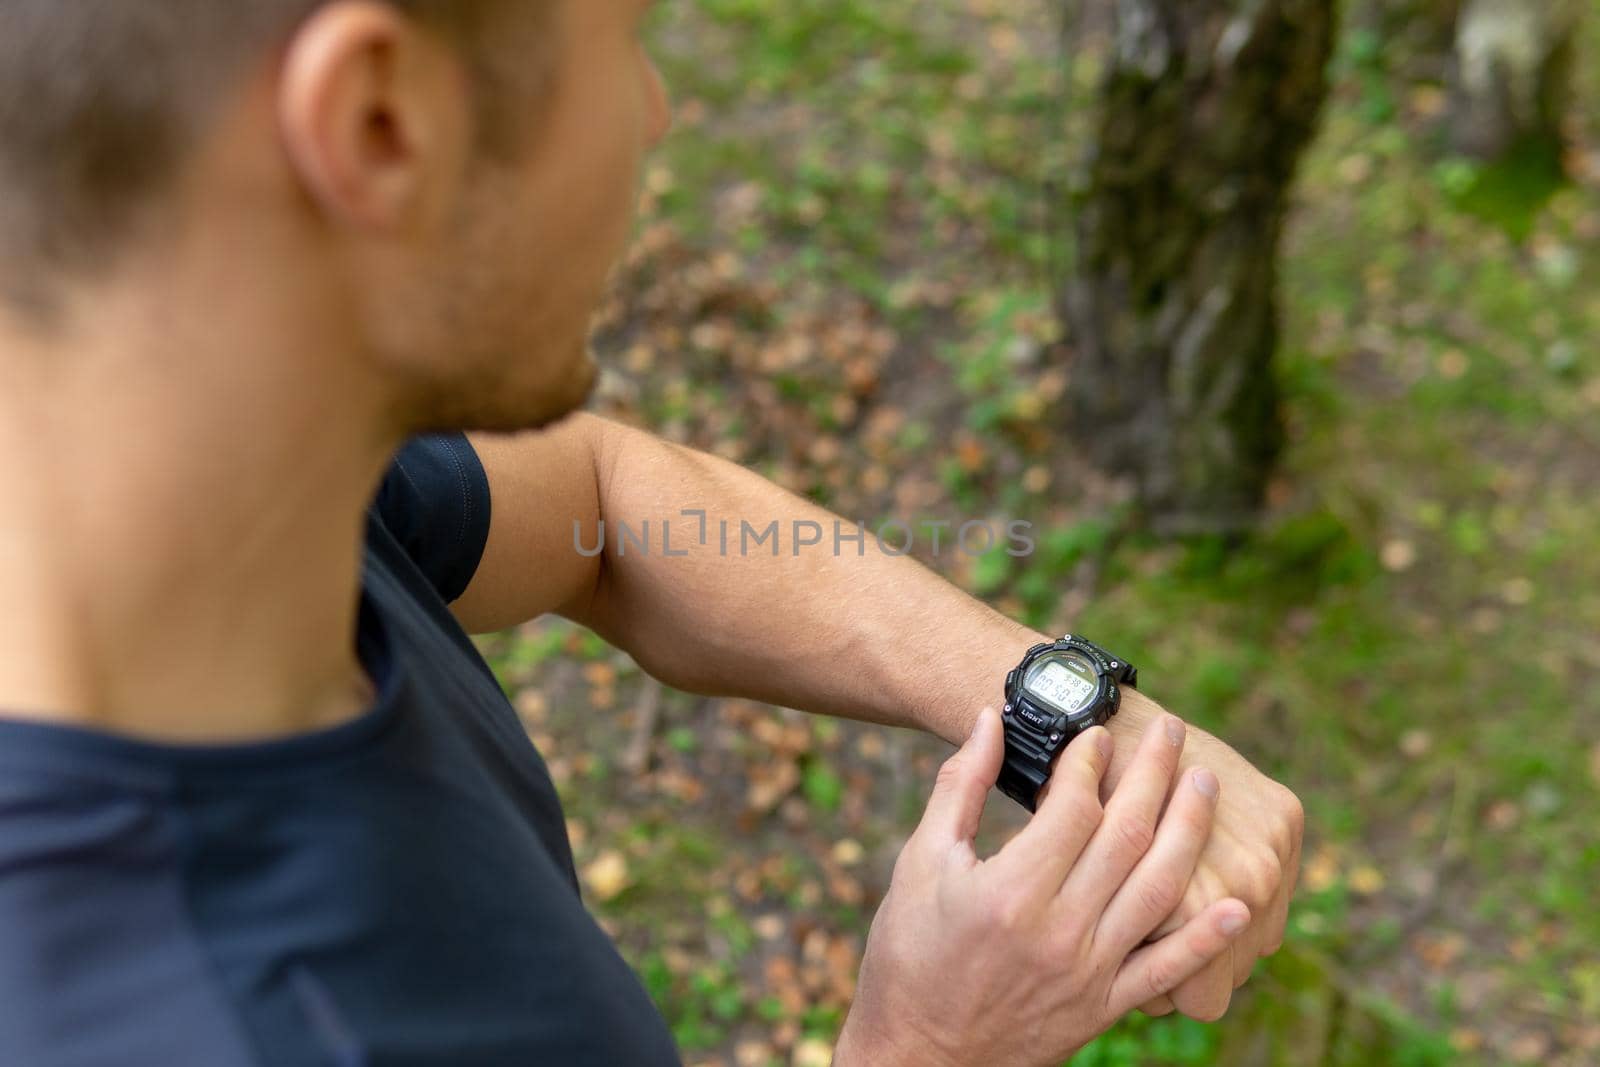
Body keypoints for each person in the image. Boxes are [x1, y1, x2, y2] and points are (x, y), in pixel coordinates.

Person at [0, 1, 1303, 1064]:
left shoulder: (188, 441)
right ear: (380, 126)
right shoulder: (248, 1020)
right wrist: (926, 1045)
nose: (659, 112)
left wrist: (1054, 710)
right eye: (623, 38)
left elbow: (600, 508)